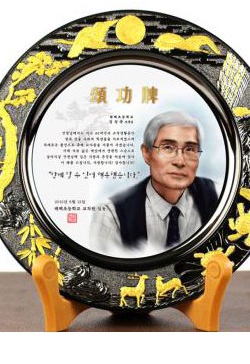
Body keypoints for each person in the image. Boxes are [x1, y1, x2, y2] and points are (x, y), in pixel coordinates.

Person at [89, 110, 219, 257]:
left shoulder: (218, 195)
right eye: (168, 147)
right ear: (146, 153)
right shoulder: (112, 214)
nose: (180, 161)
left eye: (190, 149)